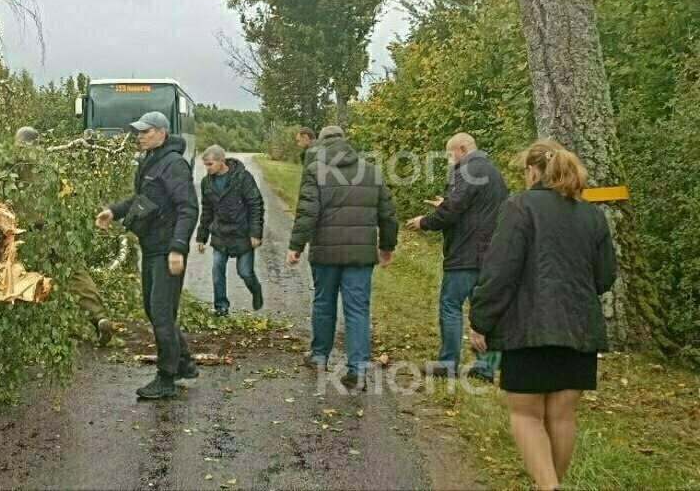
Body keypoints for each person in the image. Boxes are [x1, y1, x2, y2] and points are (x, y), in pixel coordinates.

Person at [469, 140, 615, 490]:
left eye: (524, 171)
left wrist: (480, 320)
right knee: (562, 417)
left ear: (533, 171)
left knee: (526, 415)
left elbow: (499, 271)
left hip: (529, 330)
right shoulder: (593, 215)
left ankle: (547, 487)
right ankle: (548, 485)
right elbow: (605, 277)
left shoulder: (520, 207)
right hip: (580, 332)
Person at [95, 112, 199, 400]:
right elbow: (141, 199)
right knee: (154, 310)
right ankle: (184, 363)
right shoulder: (149, 162)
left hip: (167, 250)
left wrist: (178, 248)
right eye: (138, 132)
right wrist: (113, 212)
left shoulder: (174, 164)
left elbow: (188, 208)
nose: (139, 136)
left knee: (162, 314)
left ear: (162, 133)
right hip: (152, 247)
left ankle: (166, 378)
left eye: (146, 131)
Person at [286, 126, 398, 391]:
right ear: (346, 142)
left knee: (324, 303)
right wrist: (387, 247)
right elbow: (389, 214)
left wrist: (296, 246)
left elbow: (307, 213)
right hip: (360, 256)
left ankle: (319, 357)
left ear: (321, 144)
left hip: (325, 253)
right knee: (357, 310)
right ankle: (357, 372)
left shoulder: (315, 171)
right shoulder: (371, 172)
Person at [0, 126, 113, 346]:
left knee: (20, 273)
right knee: (75, 273)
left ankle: (25, 326)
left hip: (31, 233)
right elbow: (68, 193)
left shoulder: (14, 165)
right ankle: (99, 316)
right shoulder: (53, 165)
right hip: (59, 229)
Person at [405, 133, 508, 381]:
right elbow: (478, 208)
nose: (450, 160)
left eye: (451, 154)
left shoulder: (466, 171)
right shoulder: (494, 173)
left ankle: (448, 362)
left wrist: (425, 222)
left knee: (450, 304)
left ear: (462, 149)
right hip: (490, 252)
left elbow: (453, 210)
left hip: (465, 252)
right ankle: (487, 366)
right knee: (483, 309)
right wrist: (446, 203)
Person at [195, 145, 265, 316]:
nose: (207, 168)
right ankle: (221, 307)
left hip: (242, 233)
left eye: (210, 164)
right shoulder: (207, 183)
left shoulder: (242, 178)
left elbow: (256, 204)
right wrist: (201, 236)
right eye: (205, 165)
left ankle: (256, 290)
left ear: (221, 161)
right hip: (220, 233)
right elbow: (207, 210)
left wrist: (256, 233)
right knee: (217, 270)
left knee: (245, 272)